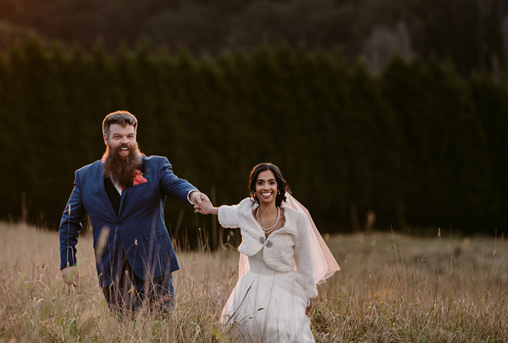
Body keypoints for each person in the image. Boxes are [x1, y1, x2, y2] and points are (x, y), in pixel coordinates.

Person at [59, 110, 212, 314]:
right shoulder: (84, 176)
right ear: (105, 138)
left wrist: (193, 194)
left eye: (130, 136)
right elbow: (69, 221)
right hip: (112, 272)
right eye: (118, 137)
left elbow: (175, 184)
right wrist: (68, 262)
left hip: (154, 267)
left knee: (161, 328)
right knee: (124, 332)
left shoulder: (155, 166)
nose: (125, 142)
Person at [195, 162, 337, 342]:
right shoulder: (246, 210)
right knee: (245, 330)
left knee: (284, 332)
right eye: (260, 183)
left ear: (278, 187)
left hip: (285, 287)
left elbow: (305, 261)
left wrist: (310, 294)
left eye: (271, 182)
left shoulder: (296, 219)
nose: (266, 187)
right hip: (251, 286)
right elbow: (230, 213)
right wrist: (209, 209)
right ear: (254, 188)